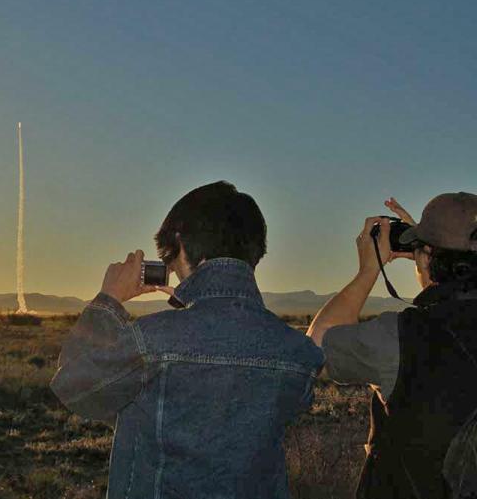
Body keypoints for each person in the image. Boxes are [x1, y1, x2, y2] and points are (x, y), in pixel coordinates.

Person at [51, 181, 324, 499]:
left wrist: (108, 300)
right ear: (256, 251)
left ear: (179, 243)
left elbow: (73, 385)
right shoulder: (298, 353)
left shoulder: (151, 341)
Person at [306, 193, 477, 499]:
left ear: (426, 257)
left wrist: (369, 270)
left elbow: (313, 349)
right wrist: (432, 256)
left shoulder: (401, 337)